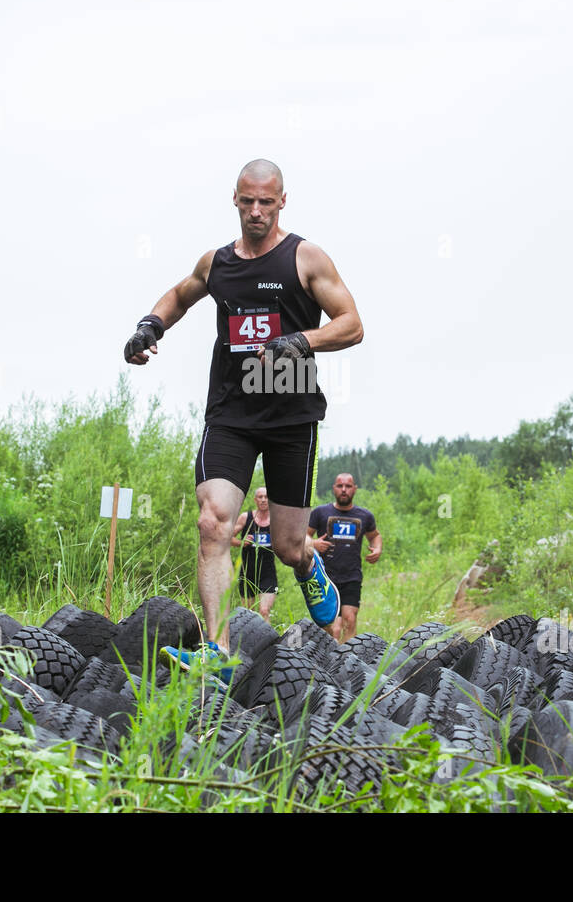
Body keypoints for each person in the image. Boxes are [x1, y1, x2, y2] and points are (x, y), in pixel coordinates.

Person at [123, 158, 364, 677]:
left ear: (282, 202)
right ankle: (217, 652)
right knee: (213, 523)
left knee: (285, 546)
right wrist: (150, 326)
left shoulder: (306, 258)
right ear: (234, 199)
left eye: (266, 202)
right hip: (231, 413)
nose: (256, 211)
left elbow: (352, 325)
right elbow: (181, 294)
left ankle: (307, 561)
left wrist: (301, 340)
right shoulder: (217, 263)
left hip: (290, 416)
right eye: (247, 201)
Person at [308, 473, 381, 641]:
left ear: (354, 489)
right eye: (340, 486)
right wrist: (313, 544)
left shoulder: (365, 516)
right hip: (325, 577)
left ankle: (348, 663)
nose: (344, 490)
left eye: (348, 486)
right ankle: (329, 662)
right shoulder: (320, 512)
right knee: (333, 627)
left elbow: (375, 536)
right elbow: (303, 536)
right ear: (334, 488)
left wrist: (377, 549)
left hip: (352, 576)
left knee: (350, 620)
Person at [232, 486, 278, 621]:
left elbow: (287, 541)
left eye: (266, 497)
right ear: (255, 500)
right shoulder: (245, 518)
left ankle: (269, 642)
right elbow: (226, 537)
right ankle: (249, 641)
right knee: (248, 615)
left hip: (268, 573)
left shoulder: (276, 520)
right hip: (247, 572)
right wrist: (241, 543)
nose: (263, 500)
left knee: (264, 610)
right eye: (260, 497)